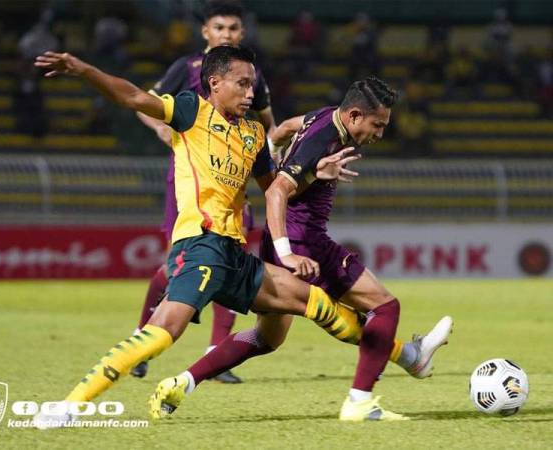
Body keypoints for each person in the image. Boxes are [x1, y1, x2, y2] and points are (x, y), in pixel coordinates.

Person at [32, 45, 365, 428]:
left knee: (316, 302)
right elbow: (133, 96)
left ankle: (400, 354)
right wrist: (83, 68)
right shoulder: (192, 111)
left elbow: (277, 188)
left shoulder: (253, 134)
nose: (250, 93)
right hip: (200, 244)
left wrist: (312, 173)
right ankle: (69, 406)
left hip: (234, 254)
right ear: (215, 83)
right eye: (242, 84)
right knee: (162, 334)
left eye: (252, 85)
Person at [151, 77, 453, 422]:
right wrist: (287, 251)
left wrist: (270, 151)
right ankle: (361, 400)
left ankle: (184, 381)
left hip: (282, 238)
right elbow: (276, 191)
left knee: (267, 338)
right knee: (384, 307)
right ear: (354, 115)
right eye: (377, 124)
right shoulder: (323, 138)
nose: (380, 134)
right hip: (303, 241)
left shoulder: (322, 117)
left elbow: (284, 129)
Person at [132, 0, 276, 383]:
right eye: (220, 28)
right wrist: (163, 129)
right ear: (205, 32)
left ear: (241, 34)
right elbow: (144, 104)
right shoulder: (187, 68)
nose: (226, 34)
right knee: (174, 265)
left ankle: (216, 352)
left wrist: (272, 155)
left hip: (235, 181)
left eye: (233, 28)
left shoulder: (250, 76)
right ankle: (141, 335)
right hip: (191, 181)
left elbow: (266, 124)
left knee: (233, 255)